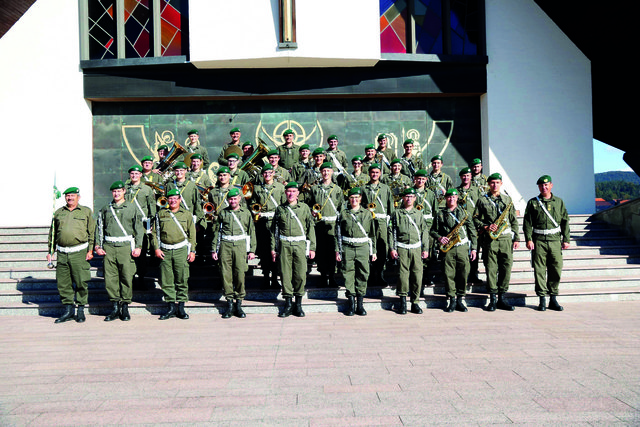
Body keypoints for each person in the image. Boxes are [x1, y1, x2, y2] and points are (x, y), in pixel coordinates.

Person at [95, 181, 144, 321]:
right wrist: (98, 246)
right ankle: (115, 307)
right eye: (114, 191)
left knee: (126, 277)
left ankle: (125, 307)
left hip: (125, 247)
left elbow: (139, 229)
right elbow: (99, 227)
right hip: (109, 246)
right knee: (110, 278)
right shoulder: (106, 208)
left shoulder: (132, 207)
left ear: (124, 191)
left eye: (119, 191)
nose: (116, 194)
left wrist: (139, 246)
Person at [47, 187, 95, 323]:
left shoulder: (85, 211)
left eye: (73, 195)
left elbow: (92, 232)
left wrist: (91, 250)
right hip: (62, 253)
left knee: (81, 281)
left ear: (78, 197)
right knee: (63, 283)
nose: (70, 198)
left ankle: (80, 310)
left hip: (79, 252)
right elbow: (52, 234)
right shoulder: (58, 213)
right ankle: (68, 310)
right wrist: (50, 251)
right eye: (68, 196)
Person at [523, 175, 570, 311]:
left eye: (546, 185)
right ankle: (542, 299)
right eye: (541, 185)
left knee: (556, 268)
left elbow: (565, 221)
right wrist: (529, 239)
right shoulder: (533, 203)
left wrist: (566, 239)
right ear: (538, 187)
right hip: (539, 240)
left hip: (555, 240)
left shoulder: (559, 202)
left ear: (551, 185)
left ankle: (553, 298)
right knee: (539, 270)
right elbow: (527, 223)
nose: (544, 187)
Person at [473, 173, 519, 311]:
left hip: (505, 238)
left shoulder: (507, 199)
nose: (494, 185)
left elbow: (513, 220)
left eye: (497, 182)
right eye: (492, 183)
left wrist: (516, 238)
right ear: (488, 184)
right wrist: (485, 226)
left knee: (506, 267)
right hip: (490, 239)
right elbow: (475, 219)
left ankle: (502, 298)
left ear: (501, 183)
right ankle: (493, 299)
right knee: (491, 269)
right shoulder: (482, 200)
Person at [271, 182, 316, 317]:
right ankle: (288, 304)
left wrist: (312, 247)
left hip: (300, 244)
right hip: (284, 244)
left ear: (298, 193)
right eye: (288, 191)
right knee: (285, 274)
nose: (291, 194)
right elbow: (275, 231)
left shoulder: (304, 208)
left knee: (300, 274)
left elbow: (310, 228)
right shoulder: (280, 209)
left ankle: (298, 304)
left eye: (293, 191)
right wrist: (273, 249)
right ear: (285, 193)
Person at [211, 188, 257, 318]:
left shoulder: (246, 213)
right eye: (230, 199)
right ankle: (229, 304)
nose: (232, 201)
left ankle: (239, 304)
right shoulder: (223, 213)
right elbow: (217, 232)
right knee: (226, 274)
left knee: (240, 274)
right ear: (228, 200)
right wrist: (214, 249)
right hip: (225, 246)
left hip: (240, 246)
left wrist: (252, 250)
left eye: (235, 198)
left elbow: (251, 232)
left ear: (239, 199)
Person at [151, 188, 197, 320]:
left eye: (175, 198)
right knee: (166, 280)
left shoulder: (186, 214)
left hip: (181, 250)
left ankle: (181, 307)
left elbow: (192, 234)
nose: (172, 201)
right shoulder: (161, 214)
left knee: (182, 278)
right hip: (164, 250)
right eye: (170, 198)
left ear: (179, 200)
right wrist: (156, 248)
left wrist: (192, 251)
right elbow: (154, 233)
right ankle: (171, 307)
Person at [431, 188, 477, 313]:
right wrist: (440, 238)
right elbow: (433, 231)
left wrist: (474, 248)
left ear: (457, 198)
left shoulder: (464, 213)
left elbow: (472, 231)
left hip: (462, 246)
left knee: (463, 273)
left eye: (454, 197)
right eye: (449, 197)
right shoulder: (440, 214)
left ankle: (460, 299)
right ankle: (451, 299)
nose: (451, 199)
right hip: (448, 248)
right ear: (446, 198)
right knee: (448, 274)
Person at [335, 187, 376, 316]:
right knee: (348, 274)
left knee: (363, 274)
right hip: (348, 247)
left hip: (363, 247)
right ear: (349, 199)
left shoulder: (367, 214)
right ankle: (351, 303)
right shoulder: (343, 214)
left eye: (356, 198)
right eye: (352, 198)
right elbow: (338, 234)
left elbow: (372, 235)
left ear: (360, 199)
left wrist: (373, 251)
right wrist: (337, 251)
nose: (354, 200)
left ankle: (360, 304)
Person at [388, 188, 429, 315]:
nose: (409, 199)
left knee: (417, 276)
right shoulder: (396, 213)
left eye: (411, 196)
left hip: (416, 248)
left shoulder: (419, 214)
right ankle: (403, 302)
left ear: (415, 198)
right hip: (402, 248)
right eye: (406, 196)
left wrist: (426, 248)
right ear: (403, 198)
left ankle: (415, 302)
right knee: (403, 276)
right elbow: (391, 231)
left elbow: (424, 232)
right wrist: (392, 248)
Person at [250, 164, 286, 288]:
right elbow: (253, 203)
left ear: (273, 173)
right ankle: (266, 278)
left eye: (270, 173)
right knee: (264, 252)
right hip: (262, 222)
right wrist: (256, 211)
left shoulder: (280, 187)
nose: (267, 175)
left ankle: (275, 278)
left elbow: (283, 205)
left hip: (276, 222)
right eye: (265, 173)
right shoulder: (257, 188)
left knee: (275, 251)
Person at [307, 162, 343, 287]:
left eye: (328, 171)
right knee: (321, 251)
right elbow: (310, 203)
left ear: (332, 172)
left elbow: (341, 208)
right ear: (320, 172)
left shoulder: (337, 189)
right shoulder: (315, 189)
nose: (326, 173)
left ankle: (332, 276)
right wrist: (312, 212)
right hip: (319, 224)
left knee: (333, 251)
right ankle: (323, 276)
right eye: (323, 171)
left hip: (333, 224)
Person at [361, 164, 394, 286]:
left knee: (382, 247)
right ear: (369, 173)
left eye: (377, 172)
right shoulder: (364, 188)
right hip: (368, 221)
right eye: (372, 172)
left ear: (380, 173)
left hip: (381, 222)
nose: (374, 174)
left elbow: (390, 206)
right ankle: (369, 274)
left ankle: (379, 274)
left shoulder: (385, 188)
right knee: (369, 246)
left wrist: (390, 222)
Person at [125, 165, 157, 288]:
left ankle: (142, 278)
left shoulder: (146, 189)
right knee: (129, 252)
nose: (134, 176)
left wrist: (152, 221)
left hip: (142, 224)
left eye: (136, 174)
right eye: (132, 174)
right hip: (128, 224)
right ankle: (131, 278)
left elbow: (151, 206)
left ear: (141, 175)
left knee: (142, 251)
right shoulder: (125, 188)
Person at [457, 166, 482, 284]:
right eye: (463, 176)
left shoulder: (477, 190)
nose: (465, 178)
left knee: (474, 249)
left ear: (471, 176)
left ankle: (473, 274)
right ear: (461, 177)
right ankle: (462, 274)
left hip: (474, 224)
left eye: (467, 175)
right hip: (462, 226)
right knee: (462, 250)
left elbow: (481, 206)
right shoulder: (457, 191)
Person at [165, 161, 205, 230]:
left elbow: (197, 204)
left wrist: (198, 221)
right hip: (173, 218)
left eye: (181, 170)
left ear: (186, 171)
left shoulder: (191, 186)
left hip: (187, 218)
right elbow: (166, 202)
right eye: (177, 171)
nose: (179, 173)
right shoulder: (170, 185)